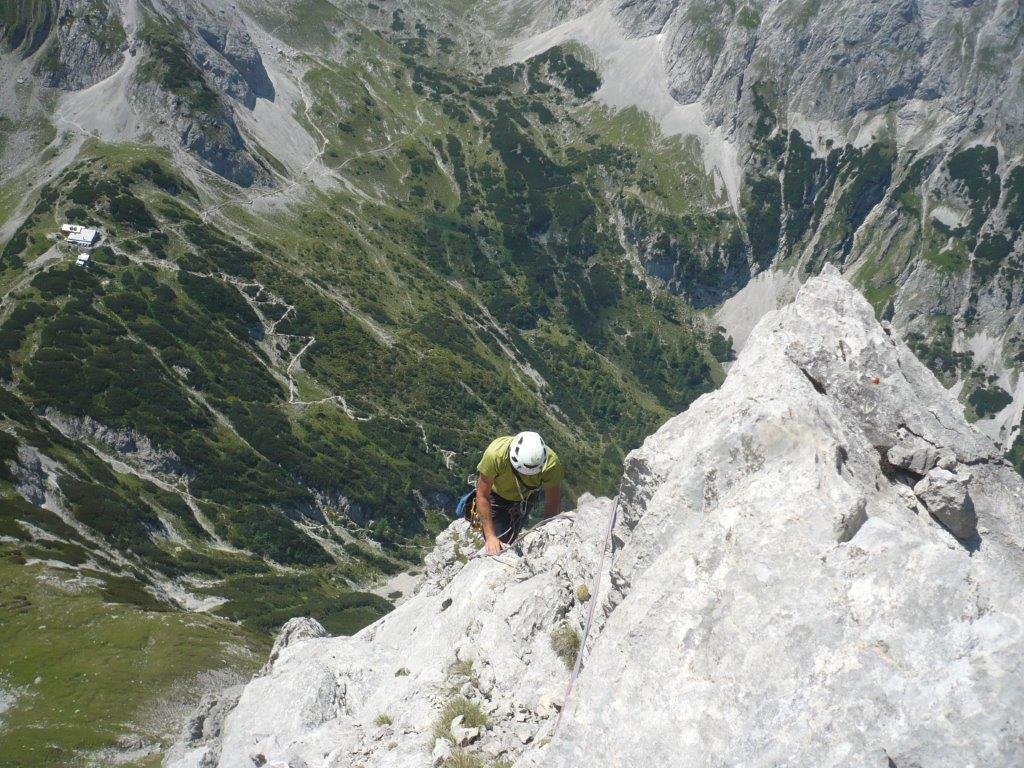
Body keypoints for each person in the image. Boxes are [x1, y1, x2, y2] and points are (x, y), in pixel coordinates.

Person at [473, 431, 564, 555]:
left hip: (527, 496)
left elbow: (552, 503)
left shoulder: (551, 464)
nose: (526, 476)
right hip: (497, 496)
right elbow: (483, 495)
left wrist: (546, 532)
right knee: (498, 544)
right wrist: (490, 537)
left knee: (513, 532)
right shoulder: (495, 454)